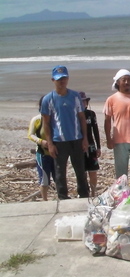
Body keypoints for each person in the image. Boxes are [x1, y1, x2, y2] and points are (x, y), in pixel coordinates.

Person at [41, 66, 89, 200]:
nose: (62, 81)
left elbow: (81, 118)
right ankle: (63, 197)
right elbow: (46, 123)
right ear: (53, 80)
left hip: (76, 139)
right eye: (58, 79)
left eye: (64, 78)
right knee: (60, 172)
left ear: (68, 78)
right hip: (59, 141)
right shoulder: (48, 99)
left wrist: (85, 138)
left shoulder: (75, 96)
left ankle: (84, 195)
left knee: (80, 170)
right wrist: (50, 144)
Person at [104, 69, 130, 178]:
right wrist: (109, 139)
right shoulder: (111, 99)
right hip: (119, 140)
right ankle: (122, 192)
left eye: (129, 80)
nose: (127, 82)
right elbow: (107, 121)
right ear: (118, 82)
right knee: (121, 172)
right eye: (124, 80)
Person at [28, 96, 56, 201]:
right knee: (44, 180)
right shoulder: (36, 119)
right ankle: (45, 200)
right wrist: (41, 141)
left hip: (56, 153)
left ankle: (61, 198)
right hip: (42, 154)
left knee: (59, 178)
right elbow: (30, 135)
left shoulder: (55, 119)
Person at [80, 92, 101, 197]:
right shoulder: (74, 115)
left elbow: (95, 131)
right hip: (79, 148)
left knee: (93, 171)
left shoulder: (91, 114)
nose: (82, 103)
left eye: (84, 101)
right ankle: (84, 192)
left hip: (91, 146)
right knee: (81, 172)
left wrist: (99, 147)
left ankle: (93, 192)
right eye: (80, 101)